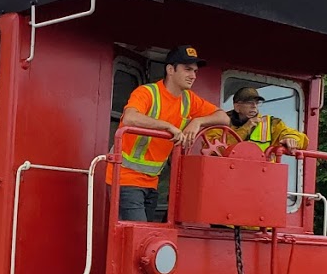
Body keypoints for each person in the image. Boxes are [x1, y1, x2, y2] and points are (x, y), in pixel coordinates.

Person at [110, 45, 229, 221]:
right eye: (187, 69)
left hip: (152, 182)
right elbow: (130, 118)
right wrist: (167, 126)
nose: (193, 76)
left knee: (147, 237)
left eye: (195, 71)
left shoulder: (189, 100)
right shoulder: (147, 92)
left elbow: (224, 118)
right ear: (170, 69)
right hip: (125, 178)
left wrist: (198, 121)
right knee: (139, 238)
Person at [225, 86, 307, 153]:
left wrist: (291, 138)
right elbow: (220, 149)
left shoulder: (271, 123)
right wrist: (245, 129)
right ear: (237, 107)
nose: (254, 106)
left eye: (257, 103)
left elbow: (299, 137)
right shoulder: (223, 122)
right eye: (249, 102)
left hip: (264, 171)